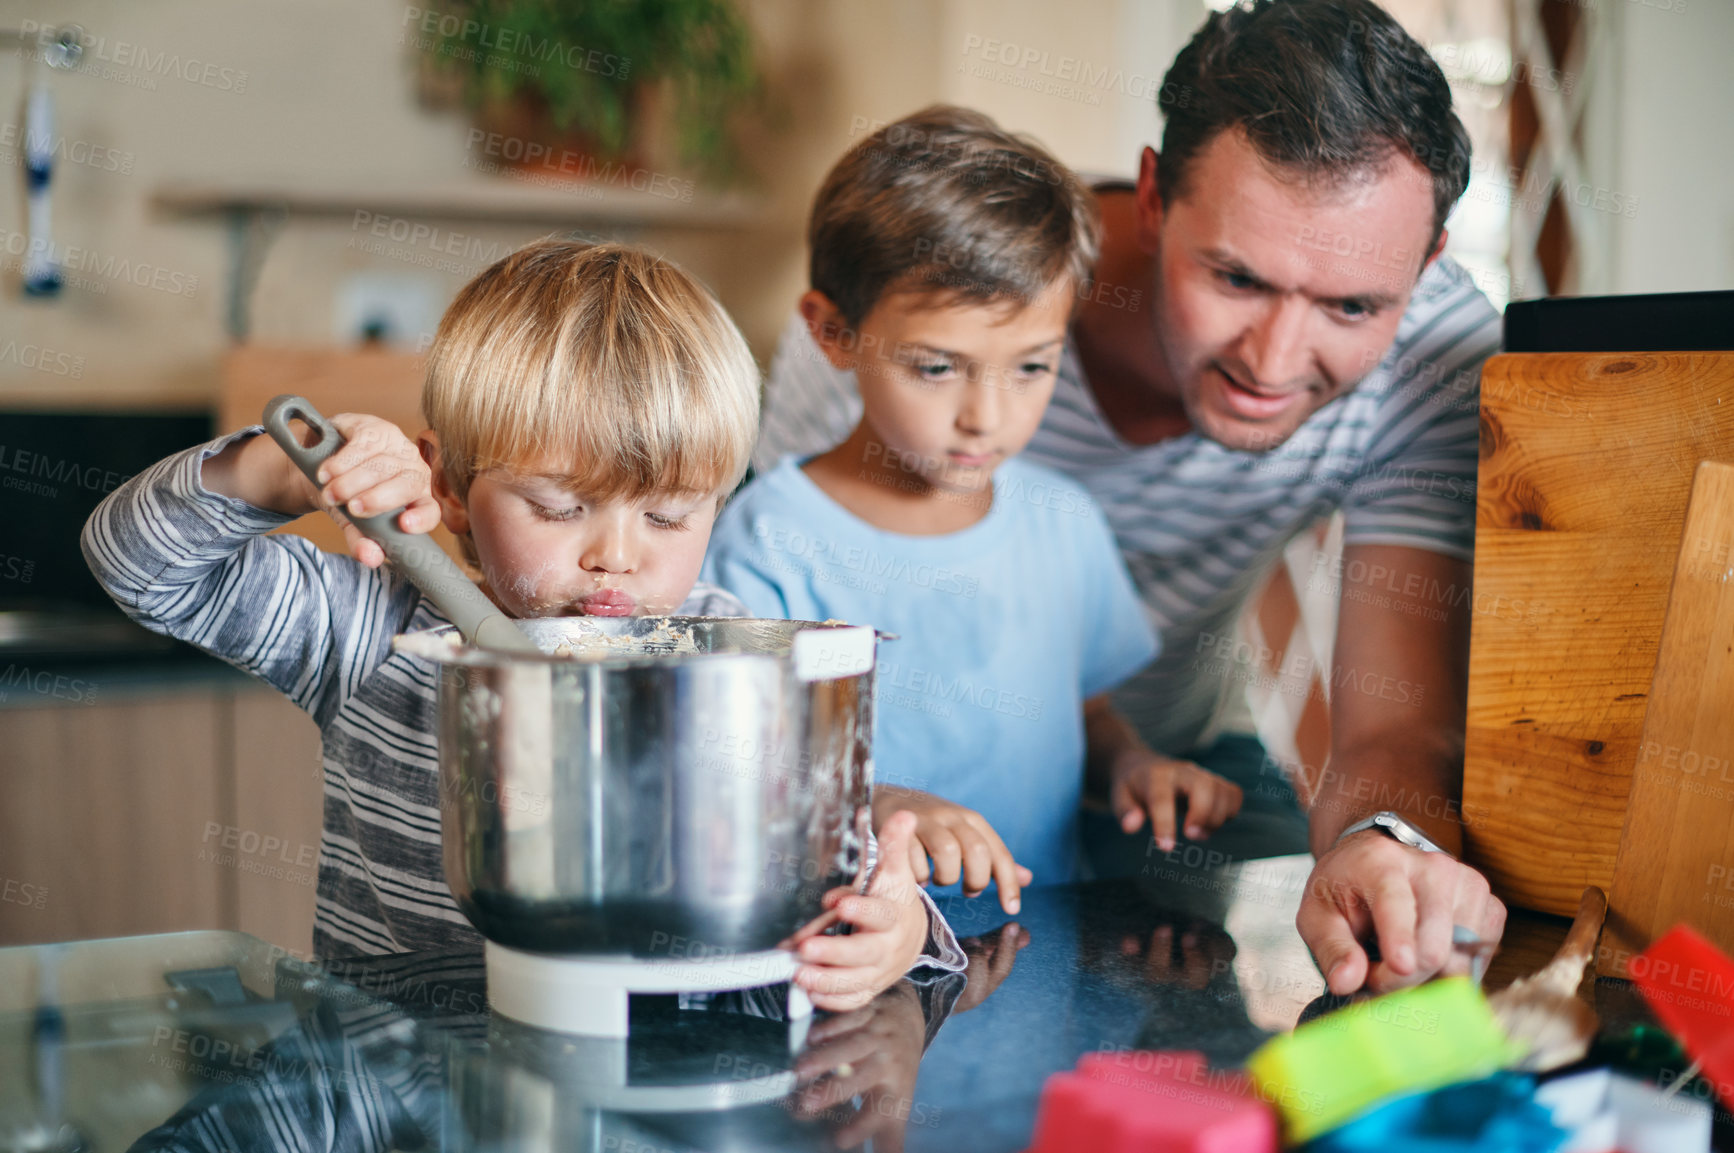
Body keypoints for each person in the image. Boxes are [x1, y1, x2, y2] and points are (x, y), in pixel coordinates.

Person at [751, 0, 1506, 994]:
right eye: (1235, 277)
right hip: (887, 800)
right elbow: (763, 683)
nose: (1273, 363)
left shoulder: (1439, 356)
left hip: (1166, 767)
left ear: (1431, 262)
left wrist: (1384, 843)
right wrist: (871, 817)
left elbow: (1393, 720)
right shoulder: (917, 296)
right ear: (1154, 197)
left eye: (1352, 306)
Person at [82, 239, 961, 1011]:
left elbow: (836, 870)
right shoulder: (366, 626)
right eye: (558, 506)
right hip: (401, 1080)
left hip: (666, 1073)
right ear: (452, 487)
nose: (616, 556)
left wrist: (899, 932)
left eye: (669, 517)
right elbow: (136, 563)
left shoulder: (728, 651)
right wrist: (279, 475)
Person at [704, 107, 1246, 918]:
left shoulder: (1064, 525)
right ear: (833, 332)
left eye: (1032, 366)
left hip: (1039, 948)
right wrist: (878, 806)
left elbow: (1086, 714)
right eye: (936, 368)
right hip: (854, 958)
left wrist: (1132, 765)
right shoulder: (768, 543)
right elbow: (733, 772)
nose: (987, 417)